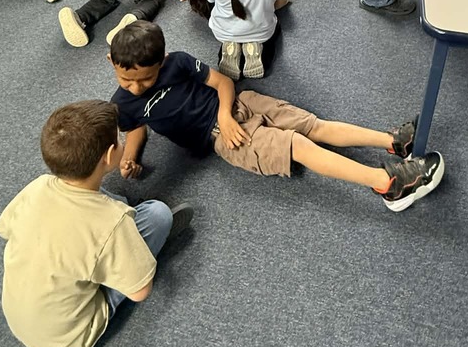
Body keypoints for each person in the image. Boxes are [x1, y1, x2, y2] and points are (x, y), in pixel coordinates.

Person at [109, 21, 445, 212]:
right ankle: (388, 184)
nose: (136, 87)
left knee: (313, 126)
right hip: (223, 138)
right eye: (127, 80)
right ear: (112, 63)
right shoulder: (123, 104)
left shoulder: (178, 61)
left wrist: (225, 113)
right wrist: (130, 157)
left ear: (162, 60)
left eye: (146, 79)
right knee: (297, 145)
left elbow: (223, 82)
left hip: (238, 104)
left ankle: (393, 142)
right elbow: (135, 128)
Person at [0, 99, 192, 347]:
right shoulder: (110, 221)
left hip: (20, 318)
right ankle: (128, 253)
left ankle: (106, 256)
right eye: (119, 139)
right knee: (158, 215)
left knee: (99, 201)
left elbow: (4, 229)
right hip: (71, 338)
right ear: (109, 156)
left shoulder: (39, 185)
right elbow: (140, 291)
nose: (122, 142)